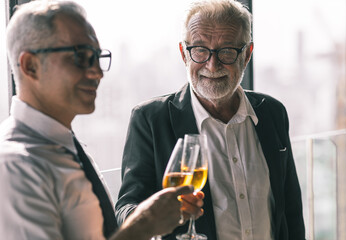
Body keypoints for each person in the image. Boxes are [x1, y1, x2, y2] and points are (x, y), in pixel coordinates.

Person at [0, 1, 203, 240]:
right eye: (81, 57)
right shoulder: (15, 167)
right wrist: (144, 225)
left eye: (97, 57)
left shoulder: (68, 147)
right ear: (30, 66)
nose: (97, 72)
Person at [116, 0, 306, 239]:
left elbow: (291, 211)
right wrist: (156, 213)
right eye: (200, 50)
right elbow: (125, 211)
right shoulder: (150, 119)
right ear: (184, 54)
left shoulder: (272, 112)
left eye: (227, 51)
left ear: (247, 55)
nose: (212, 64)